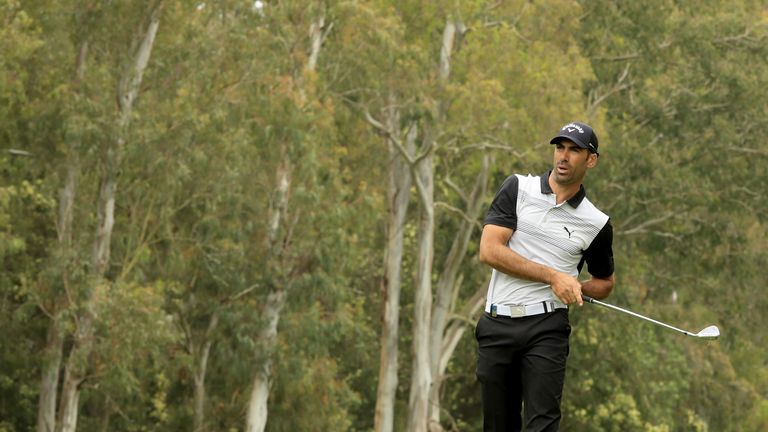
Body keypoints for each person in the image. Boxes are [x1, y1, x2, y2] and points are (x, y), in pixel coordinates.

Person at [475, 121, 615, 431]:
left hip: (547, 327)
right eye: (560, 148)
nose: (563, 157)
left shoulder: (596, 223)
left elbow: (605, 281)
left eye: (574, 150)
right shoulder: (517, 188)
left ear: (591, 160)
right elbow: (489, 250)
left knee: (542, 425)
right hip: (497, 322)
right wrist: (553, 276)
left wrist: (577, 287)